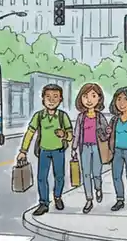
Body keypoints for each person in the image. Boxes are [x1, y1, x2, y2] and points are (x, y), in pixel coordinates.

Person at [17, 84, 73, 217]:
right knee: (42, 178)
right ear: (43, 99)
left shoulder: (62, 116)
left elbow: (71, 134)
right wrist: (23, 151)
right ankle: (44, 203)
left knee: (59, 176)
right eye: (48, 96)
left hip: (58, 150)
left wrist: (64, 135)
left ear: (60, 99)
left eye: (55, 97)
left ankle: (58, 197)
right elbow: (30, 133)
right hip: (43, 151)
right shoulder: (39, 116)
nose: (51, 100)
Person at [70, 83, 110, 214]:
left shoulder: (100, 116)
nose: (89, 99)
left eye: (93, 96)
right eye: (85, 96)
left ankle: (98, 188)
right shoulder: (81, 117)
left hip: (97, 147)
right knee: (86, 173)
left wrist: (108, 131)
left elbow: (106, 132)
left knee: (96, 173)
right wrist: (74, 147)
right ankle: (89, 199)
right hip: (84, 148)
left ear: (99, 98)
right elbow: (76, 133)